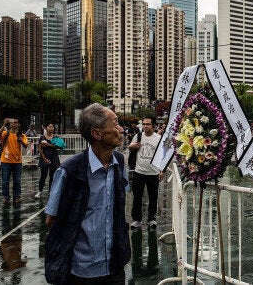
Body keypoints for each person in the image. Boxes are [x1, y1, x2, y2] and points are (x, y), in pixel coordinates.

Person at [44, 103, 130, 284]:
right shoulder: (69, 170)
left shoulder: (119, 163)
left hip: (115, 264)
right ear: (97, 134)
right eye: (115, 124)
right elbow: (51, 220)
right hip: (81, 270)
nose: (120, 129)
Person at [128, 116, 164, 230]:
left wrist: (161, 170)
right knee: (137, 197)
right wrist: (131, 146)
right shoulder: (138, 136)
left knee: (153, 197)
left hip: (153, 173)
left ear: (153, 125)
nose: (145, 126)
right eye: (144, 124)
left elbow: (163, 155)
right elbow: (130, 148)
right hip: (139, 172)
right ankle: (136, 220)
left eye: (148, 124)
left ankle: (151, 219)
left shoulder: (158, 138)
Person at [0, 118, 28, 205]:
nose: (14, 124)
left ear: (18, 125)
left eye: (15, 123)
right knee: (5, 180)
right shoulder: (5, 133)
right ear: (9, 125)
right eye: (12, 123)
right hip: (5, 160)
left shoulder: (22, 135)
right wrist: (4, 125)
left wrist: (20, 140)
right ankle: (6, 197)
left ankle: (17, 196)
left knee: (17, 180)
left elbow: (26, 145)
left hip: (17, 161)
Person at [35, 122, 60, 199]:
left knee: (52, 176)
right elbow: (40, 149)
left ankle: (50, 191)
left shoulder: (56, 137)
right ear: (46, 128)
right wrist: (45, 159)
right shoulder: (42, 137)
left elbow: (59, 146)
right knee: (43, 175)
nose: (51, 128)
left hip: (54, 158)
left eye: (52, 127)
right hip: (44, 158)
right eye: (49, 126)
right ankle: (40, 191)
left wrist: (48, 145)